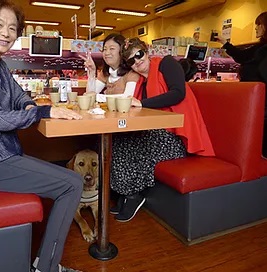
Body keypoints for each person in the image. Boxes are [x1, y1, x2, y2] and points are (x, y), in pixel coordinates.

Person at [0, 1, 83, 272]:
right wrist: (44, 111)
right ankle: (45, 267)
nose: (6, 33)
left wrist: (29, 106)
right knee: (72, 183)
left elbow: (19, 95)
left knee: (63, 173)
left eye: (12, 28)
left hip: (0, 154)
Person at [110, 37, 215, 222]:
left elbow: (178, 93)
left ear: (147, 51)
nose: (137, 61)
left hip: (175, 137)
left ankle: (136, 193)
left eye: (139, 55)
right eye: (131, 60)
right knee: (120, 141)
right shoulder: (141, 82)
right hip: (157, 132)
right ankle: (126, 193)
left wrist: (141, 103)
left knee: (139, 143)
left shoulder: (166, 64)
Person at [216, 11, 267, 157]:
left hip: (260, 102)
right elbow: (242, 56)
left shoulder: (262, 51)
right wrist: (225, 43)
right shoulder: (260, 48)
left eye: (259, 25)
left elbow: (243, 57)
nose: (256, 28)